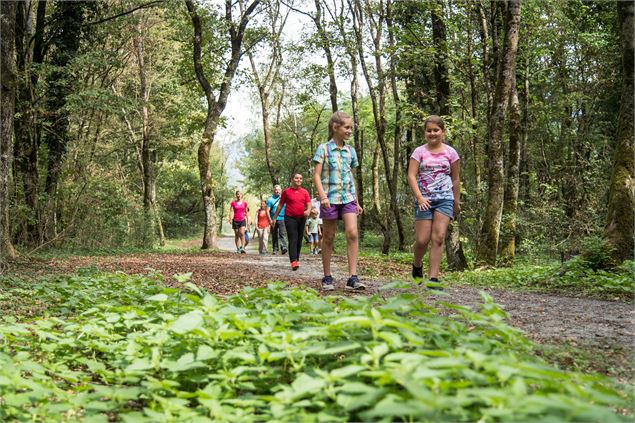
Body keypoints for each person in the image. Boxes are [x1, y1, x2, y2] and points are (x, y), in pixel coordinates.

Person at [312, 111, 365, 291]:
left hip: (348, 198)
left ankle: (353, 277)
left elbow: (351, 177)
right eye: (347, 127)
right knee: (328, 236)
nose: (350, 131)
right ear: (336, 128)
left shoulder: (351, 151)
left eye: (351, 127)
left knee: (352, 233)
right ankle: (327, 277)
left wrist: (356, 201)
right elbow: (316, 175)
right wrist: (323, 196)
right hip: (330, 198)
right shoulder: (324, 149)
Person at [406, 115, 460, 289]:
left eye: (436, 130)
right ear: (425, 133)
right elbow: (411, 175)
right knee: (422, 240)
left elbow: (456, 179)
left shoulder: (451, 153)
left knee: (438, 238)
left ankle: (433, 278)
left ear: (442, 132)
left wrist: (456, 201)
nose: (432, 133)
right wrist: (419, 197)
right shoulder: (419, 152)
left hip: (445, 198)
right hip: (424, 199)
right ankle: (417, 264)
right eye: (429, 130)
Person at [271, 173, 311, 270]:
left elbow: (308, 203)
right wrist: (275, 218)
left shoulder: (304, 192)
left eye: (301, 178)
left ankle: (296, 258)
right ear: (292, 179)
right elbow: (280, 205)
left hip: (302, 218)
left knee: (299, 239)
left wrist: (308, 210)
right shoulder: (286, 192)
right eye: (297, 178)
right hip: (290, 218)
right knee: (293, 238)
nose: (299, 180)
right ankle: (293, 261)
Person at [266, 185, 288, 255]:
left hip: (283, 219)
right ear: (273, 191)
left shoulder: (284, 199)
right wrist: (270, 220)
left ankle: (283, 247)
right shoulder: (270, 200)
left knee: (282, 234)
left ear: (281, 191)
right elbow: (267, 211)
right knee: (274, 235)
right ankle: (275, 249)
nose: (277, 191)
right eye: (276, 190)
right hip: (273, 220)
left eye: (278, 190)